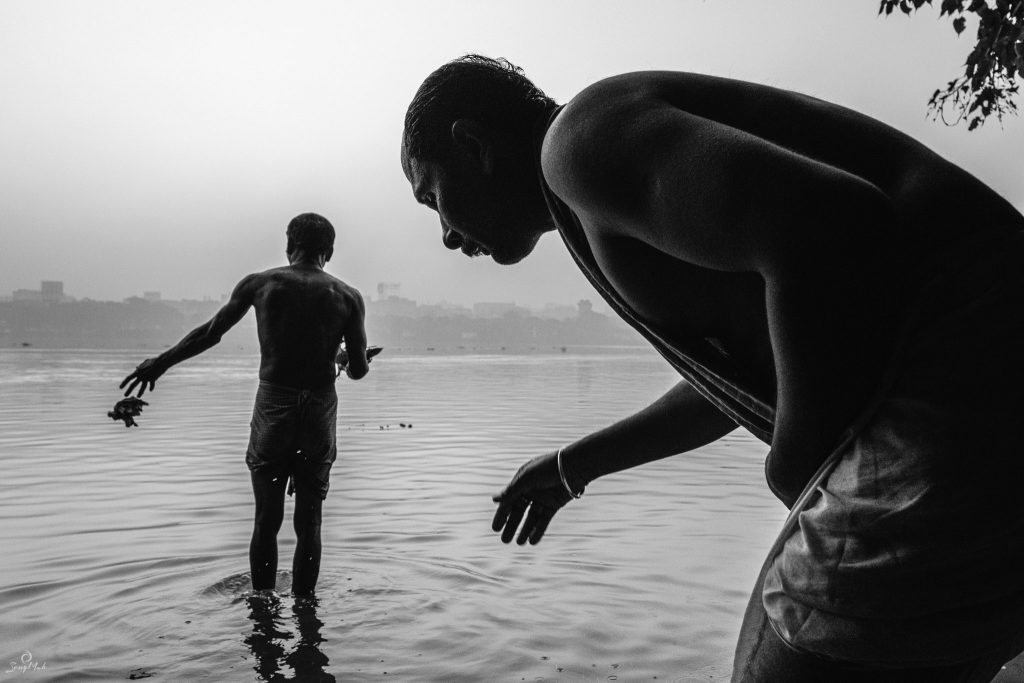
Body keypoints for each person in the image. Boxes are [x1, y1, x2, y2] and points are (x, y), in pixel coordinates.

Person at [401, 55, 1024, 681]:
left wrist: (796, 461)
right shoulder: (595, 179)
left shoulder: (579, 143)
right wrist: (575, 465)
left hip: (964, 379)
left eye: (432, 196)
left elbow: (831, 227)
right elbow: (750, 367)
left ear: (474, 145)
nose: (449, 238)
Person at [119, 212, 371, 597]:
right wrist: (340, 362)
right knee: (311, 522)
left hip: (275, 404)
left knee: (266, 520)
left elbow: (210, 333)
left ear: (290, 245)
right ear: (330, 252)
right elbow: (358, 370)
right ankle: (306, 613)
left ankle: (263, 607)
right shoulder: (348, 297)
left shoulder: (262, 284)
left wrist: (160, 363)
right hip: (319, 408)